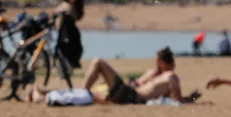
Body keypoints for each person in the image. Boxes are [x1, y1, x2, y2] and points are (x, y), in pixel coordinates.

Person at [25, 47, 200, 105]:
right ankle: (41, 94)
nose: (154, 66)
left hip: (129, 95)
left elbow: (176, 100)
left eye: (156, 63)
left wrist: (189, 99)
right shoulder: (158, 74)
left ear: (163, 62)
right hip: (128, 92)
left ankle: (42, 94)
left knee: (98, 63)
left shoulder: (171, 77)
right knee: (90, 96)